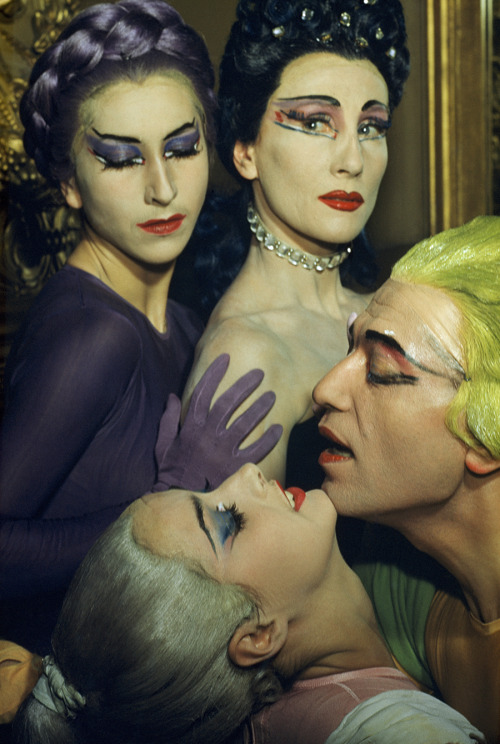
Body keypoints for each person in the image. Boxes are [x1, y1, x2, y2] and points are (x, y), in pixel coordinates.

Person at [0, 0, 278, 659]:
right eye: (122, 160)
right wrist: (161, 506)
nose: (162, 187)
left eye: (182, 148)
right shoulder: (93, 337)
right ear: (68, 182)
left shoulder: (181, 322)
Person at [11, 465, 485, 744]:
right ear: (259, 636)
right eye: (229, 522)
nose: (247, 473)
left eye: (210, 485)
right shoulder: (403, 734)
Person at [183, 0, 410, 491]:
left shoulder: (389, 306)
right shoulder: (244, 356)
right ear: (246, 152)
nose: (352, 159)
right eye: (313, 122)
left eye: (370, 127)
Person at [313, 215, 500, 742]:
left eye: (382, 371)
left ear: (484, 437)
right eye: (349, 348)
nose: (325, 388)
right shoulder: (395, 577)